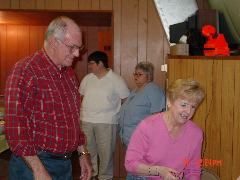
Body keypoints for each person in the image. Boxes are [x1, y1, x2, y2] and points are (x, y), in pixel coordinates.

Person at [4, 16, 92, 180]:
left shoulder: (69, 75)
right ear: (53, 41)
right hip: (32, 165)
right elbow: (16, 130)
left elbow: (73, 119)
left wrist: (82, 153)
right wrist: (38, 170)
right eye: (72, 47)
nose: (77, 54)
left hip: (65, 164)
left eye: (79, 48)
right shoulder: (25, 71)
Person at [125, 79, 205, 180]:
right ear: (169, 102)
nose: (188, 111)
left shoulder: (196, 133)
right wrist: (159, 171)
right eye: (183, 105)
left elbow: (193, 169)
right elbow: (130, 164)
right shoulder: (147, 126)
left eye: (193, 107)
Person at [79, 51, 130, 180]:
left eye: (91, 63)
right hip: (86, 120)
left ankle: (105, 177)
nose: (89, 66)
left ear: (100, 63)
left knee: (106, 153)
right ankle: (92, 174)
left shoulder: (116, 79)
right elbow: (81, 96)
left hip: (107, 121)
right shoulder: (87, 78)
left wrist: (115, 113)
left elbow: (125, 99)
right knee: (88, 151)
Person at [118, 62, 165, 146]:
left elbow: (157, 116)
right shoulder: (136, 90)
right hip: (130, 138)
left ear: (149, 76)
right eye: (135, 74)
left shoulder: (153, 89)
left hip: (142, 139)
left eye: (140, 74)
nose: (136, 77)